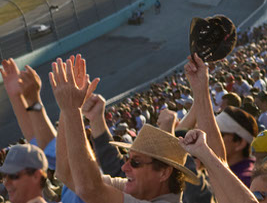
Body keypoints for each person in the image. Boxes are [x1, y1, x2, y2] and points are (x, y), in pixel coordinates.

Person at [49, 56, 198, 203]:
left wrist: (71, 109)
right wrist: (68, 107)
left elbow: (89, 189)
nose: (125, 167)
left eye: (136, 162)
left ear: (164, 173)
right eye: (128, 159)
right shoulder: (142, 190)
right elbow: (67, 173)